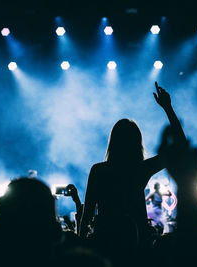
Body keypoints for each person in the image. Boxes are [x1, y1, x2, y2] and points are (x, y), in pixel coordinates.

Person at [79, 82, 186, 244]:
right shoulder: (140, 170)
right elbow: (180, 146)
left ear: (113, 142)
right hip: (136, 241)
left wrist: (80, 243)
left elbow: (87, 213)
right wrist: (167, 108)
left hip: (105, 240)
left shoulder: (99, 170)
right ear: (137, 144)